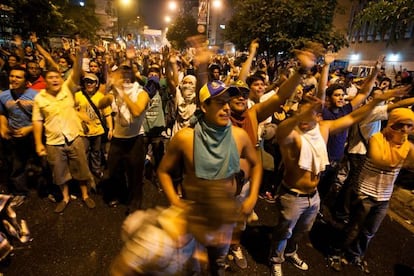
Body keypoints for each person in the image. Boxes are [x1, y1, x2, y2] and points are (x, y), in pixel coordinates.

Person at [268, 85, 405, 276]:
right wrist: (303, 113)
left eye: (315, 113)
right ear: (298, 113)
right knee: (284, 232)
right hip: (293, 196)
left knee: (300, 231)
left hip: (313, 196)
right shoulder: (292, 134)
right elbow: (282, 129)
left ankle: (290, 252)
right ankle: (276, 259)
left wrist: (376, 100)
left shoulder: (322, 128)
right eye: (305, 112)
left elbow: (352, 117)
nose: (311, 117)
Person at [341, 107, 414, 274]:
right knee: (353, 227)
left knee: (369, 232)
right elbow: (380, 160)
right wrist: (402, 158)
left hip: (384, 197)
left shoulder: (407, 146)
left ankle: (355, 255)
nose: (404, 130)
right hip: (365, 193)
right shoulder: (377, 138)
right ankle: (337, 252)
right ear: (392, 124)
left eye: (409, 126)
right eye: (400, 125)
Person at [32, 39, 96, 213]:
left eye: (57, 77)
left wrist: (80, 53)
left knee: (81, 169)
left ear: (61, 78)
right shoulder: (40, 98)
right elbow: (37, 121)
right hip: (53, 141)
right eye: (50, 78)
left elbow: (76, 72)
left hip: (74, 137)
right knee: (59, 173)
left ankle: (85, 195)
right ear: (45, 80)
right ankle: (65, 197)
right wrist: (39, 143)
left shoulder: (68, 88)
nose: (54, 80)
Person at [0, 66, 38, 195]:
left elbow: (45, 117)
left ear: (26, 80)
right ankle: (20, 192)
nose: (14, 79)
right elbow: (2, 113)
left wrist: (30, 128)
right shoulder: (4, 96)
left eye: (18, 77)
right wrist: (3, 127)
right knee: (17, 165)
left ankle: (47, 189)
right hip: (14, 135)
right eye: (12, 76)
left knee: (42, 163)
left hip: (34, 135)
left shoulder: (36, 96)